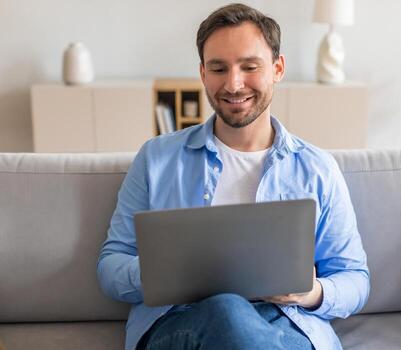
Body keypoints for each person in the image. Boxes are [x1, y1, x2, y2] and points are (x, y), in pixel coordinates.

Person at [97, 3, 370, 350]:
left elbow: (355, 279)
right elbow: (110, 267)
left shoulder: (318, 169)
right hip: (185, 320)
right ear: (202, 74)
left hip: (287, 323)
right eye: (218, 68)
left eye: (249, 67)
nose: (233, 84)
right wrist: (164, 272)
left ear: (277, 68)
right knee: (227, 309)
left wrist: (311, 292)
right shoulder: (156, 159)